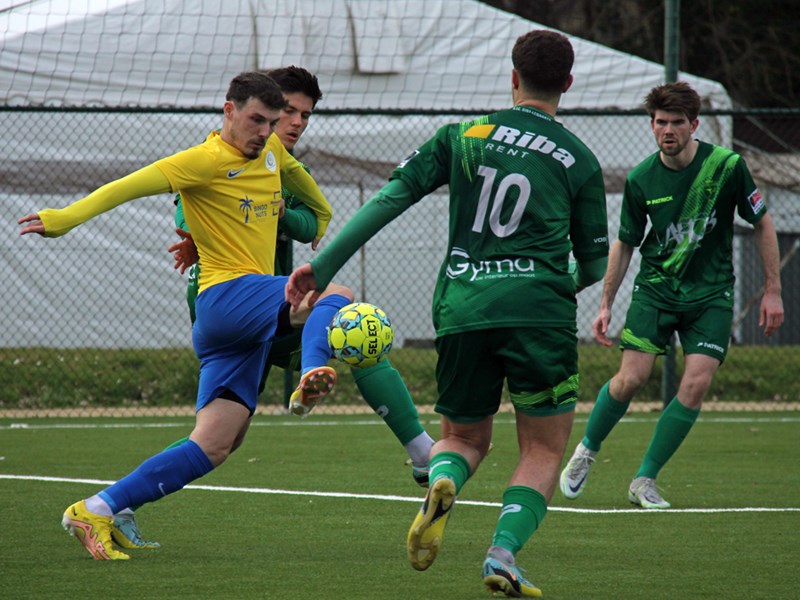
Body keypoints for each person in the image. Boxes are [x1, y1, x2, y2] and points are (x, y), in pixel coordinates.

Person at [285, 30, 608, 598]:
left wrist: (323, 263)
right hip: (539, 311)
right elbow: (593, 264)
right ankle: (503, 554)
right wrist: (558, 286)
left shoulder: (462, 135)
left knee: (462, 438)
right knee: (542, 449)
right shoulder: (579, 158)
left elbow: (391, 198)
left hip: (463, 306)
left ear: (513, 78)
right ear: (568, 84)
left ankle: (441, 479)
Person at [19, 71, 353, 560]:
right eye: (255, 119)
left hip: (230, 326)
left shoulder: (270, 151)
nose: (264, 130)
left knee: (217, 443)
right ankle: (311, 372)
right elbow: (124, 188)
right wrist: (64, 219)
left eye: (272, 121)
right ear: (229, 111)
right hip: (227, 296)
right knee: (334, 292)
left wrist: (320, 216)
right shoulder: (202, 161)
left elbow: (304, 185)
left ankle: (97, 508)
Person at [110, 66, 435, 550]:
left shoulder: (274, 164)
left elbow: (313, 223)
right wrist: (204, 236)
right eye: (288, 110)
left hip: (277, 303)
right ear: (252, 109)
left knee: (219, 441)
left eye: (305, 114)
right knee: (349, 321)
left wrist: (282, 213)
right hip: (236, 309)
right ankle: (408, 441)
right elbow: (193, 207)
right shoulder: (220, 157)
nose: (296, 121)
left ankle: (112, 504)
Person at [560, 81, 784, 510]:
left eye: (676, 122)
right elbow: (625, 244)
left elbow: (762, 222)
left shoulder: (726, 166)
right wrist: (605, 303)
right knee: (630, 380)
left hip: (711, 295)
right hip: (657, 292)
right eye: (660, 122)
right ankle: (586, 450)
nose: (667, 130)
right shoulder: (641, 178)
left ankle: (644, 480)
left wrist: (772, 290)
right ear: (651, 125)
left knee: (696, 385)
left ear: (694, 124)